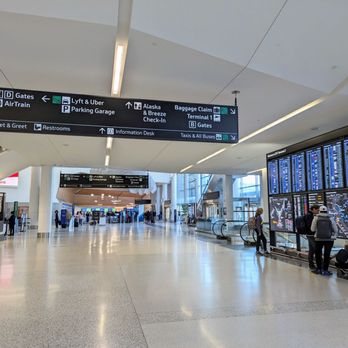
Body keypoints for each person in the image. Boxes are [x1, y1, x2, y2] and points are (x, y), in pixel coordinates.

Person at [311, 205, 338, 276]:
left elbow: (312, 229)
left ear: (319, 211)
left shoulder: (316, 218)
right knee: (327, 254)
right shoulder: (330, 218)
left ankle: (319, 269)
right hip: (329, 240)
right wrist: (333, 236)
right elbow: (336, 230)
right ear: (327, 211)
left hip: (318, 239)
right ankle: (325, 270)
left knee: (318, 254)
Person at [304, 204, 320, 271]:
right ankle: (319, 265)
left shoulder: (308, 215)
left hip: (309, 234)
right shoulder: (310, 216)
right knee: (316, 250)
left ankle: (311, 265)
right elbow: (311, 227)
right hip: (311, 235)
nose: (318, 211)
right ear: (313, 209)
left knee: (311, 251)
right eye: (317, 210)